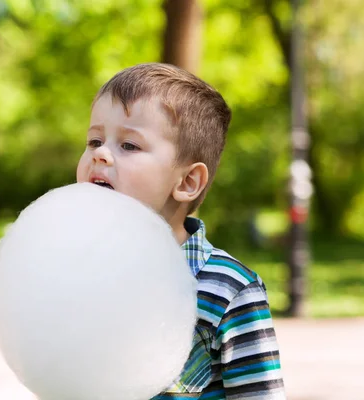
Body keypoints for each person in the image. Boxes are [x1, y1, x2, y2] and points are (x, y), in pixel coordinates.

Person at [76, 63, 285, 399]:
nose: (100, 154)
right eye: (94, 140)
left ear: (187, 182)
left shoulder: (228, 289)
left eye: (128, 145)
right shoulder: (79, 272)